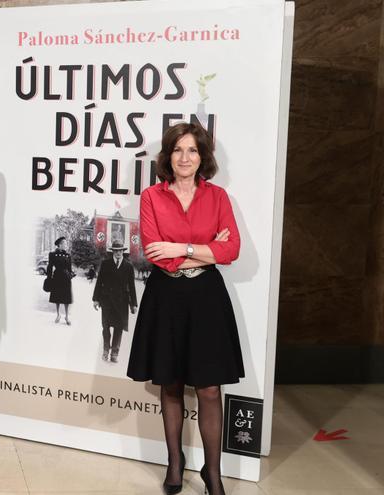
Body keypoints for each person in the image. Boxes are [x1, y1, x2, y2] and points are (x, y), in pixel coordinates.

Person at [126, 122, 244, 495]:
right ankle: (174, 464)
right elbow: (153, 252)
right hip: (166, 297)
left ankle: (213, 472)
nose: (185, 157)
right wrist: (206, 249)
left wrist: (181, 248)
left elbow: (232, 250)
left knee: (209, 389)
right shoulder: (151, 197)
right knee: (171, 383)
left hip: (207, 298)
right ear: (167, 156)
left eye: (192, 150)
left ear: (202, 157)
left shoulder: (219, 197)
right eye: (178, 150)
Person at [92, 240, 137, 363]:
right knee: (105, 326)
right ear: (112, 251)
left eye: (120, 250)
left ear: (123, 251)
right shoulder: (105, 264)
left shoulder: (128, 266)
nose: (118, 253)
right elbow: (99, 282)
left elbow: (132, 286)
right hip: (106, 300)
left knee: (119, 327)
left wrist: (133, 304)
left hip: (122, 302)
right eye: (115, 250)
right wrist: (96, 299)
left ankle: (114, 353)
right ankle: (106, 350)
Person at [46, 236, 74, 325]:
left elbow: (69, 268)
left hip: (66, 278)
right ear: (60, 245)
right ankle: (58, 314)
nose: (66, 245)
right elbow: (50, 267)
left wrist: (71, 275)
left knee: (67, 298)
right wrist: (49, 278)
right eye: (65, 243)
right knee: (57, 297)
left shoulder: (68, 255)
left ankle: (66, 316)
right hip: (57, 277)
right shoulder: (52, 254)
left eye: (66, 243)